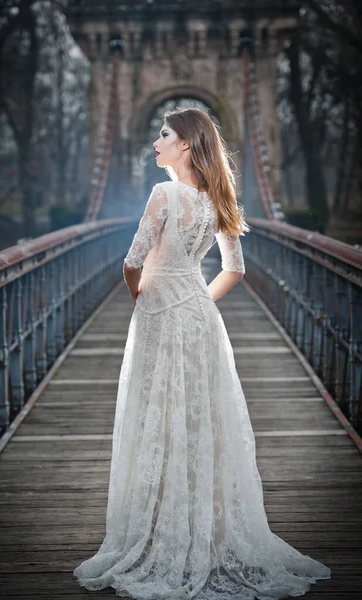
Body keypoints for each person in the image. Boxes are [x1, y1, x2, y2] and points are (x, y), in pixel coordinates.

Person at [73, 108, 331, 599]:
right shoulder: (217, 198)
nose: (157, 141)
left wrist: (141, 293)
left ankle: (157, 533)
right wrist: (196, 300)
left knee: (158, 415)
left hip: (158, 316)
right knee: (200, 421)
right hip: (200, 318)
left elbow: (131, 261)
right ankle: (207, 532)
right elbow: (233, 269)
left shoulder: (164, 193)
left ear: (186, 144)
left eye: (164, 134)